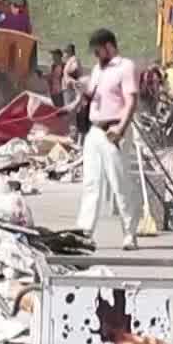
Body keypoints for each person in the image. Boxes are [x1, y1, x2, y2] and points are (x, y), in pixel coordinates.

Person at [76, 28, 143, 250]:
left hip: (114, 129)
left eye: (98, 51)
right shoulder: (97, 70)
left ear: (108, 46)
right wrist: (83, 93)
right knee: (91, 183)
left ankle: (129, 232)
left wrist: (121, 129)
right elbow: (96, 98)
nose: (95, 56)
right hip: (95, 131)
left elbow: (130, 101)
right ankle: (85, 232)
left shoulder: (125, 67)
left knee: (120, 183)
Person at [60, 43, 83, 108]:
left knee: (69, 109)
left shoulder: (74, 59)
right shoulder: (70, 60)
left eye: (65, 52)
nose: (64, 54)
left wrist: (70, 74)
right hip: (68, 89)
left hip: (70, 90)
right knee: (69, 108)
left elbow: (75, 68)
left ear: (69, 52)